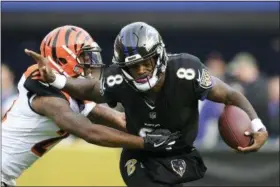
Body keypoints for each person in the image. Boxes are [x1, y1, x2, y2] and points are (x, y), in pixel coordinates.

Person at [26, 22, 268, 187]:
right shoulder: (117, 79)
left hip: (180, 152)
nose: (140, 70)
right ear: (123, 67)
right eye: (133, 66)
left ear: (159, 56)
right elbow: (88, 89)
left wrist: (258, 126)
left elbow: (230, 96)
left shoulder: (187, 70)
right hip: (140, 155)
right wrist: (56, 79)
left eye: (146, 62)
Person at [1, 25, 180, 187]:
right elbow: (90, 132)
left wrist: (150, 130)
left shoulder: (67, 89)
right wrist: (144, 142)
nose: (89, 62)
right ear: (64, 58)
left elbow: (108, 116)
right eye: (83, 56)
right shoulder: (45, 95)